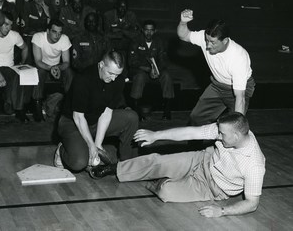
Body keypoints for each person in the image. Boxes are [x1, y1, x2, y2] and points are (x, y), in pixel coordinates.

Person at [89, 112, 266, 218]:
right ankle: (114, 168)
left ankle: (161, 180)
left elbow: (252, 203)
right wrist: (155, 135)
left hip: (211, 187)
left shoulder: (254, 164)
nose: (218, 135)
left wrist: (221, 211)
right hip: (202, 159)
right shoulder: (228, 129)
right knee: (157, 160)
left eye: (221, 134)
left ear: (236, 136)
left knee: (166, 191)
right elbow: (190, 132)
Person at [54, 50, 139, 173]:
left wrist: (98, 145)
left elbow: (106, 112)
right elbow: (78, 117)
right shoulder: (83, 79)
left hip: (95, 120)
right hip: (72, 123)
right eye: (110, 73)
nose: (114, 78)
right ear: (101, 65)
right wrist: (91, 145)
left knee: (131, 118)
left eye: (117, 74)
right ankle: (62, 150)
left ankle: (126, 164)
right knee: (79, 163)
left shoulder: (118, 80)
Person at [177, 9, 255, 127]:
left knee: (233, 125)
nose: (208, 46)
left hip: (238, 90)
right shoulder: (206, 38)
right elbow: (184, 36)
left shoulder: (238, 57)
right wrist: (183, 22)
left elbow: (240, 96)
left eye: (213, 42)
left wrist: (237, 124)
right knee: (196, 118)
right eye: (207, 41)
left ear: (225, 40)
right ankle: (194, 146)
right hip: (217, 85)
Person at [129, 20, 175, 120]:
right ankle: (137, 112)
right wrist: (148, 69)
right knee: (140, 77)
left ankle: (167, 110)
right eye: (146, 30)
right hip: (141, 71)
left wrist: (156, 70)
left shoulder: (159, 42)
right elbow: (132, 61)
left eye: (151, 30)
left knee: (166, 76)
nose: (148, 33)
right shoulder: (135, 41)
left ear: (155, 31)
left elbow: (163, 60)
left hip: (156, 71)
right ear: (142, 30)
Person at [32, 18, 73, 122]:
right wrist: (51, 68)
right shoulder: (38, 37)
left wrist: (57, 68)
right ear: (48, 31)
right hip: (43, 67)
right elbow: (38, 61)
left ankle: (70, 105)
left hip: (57, 67)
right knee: (39, 72)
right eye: (54, 32)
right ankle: (37, 107)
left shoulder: (64, 39)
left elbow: (67, 62)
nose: (57, 36)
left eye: (60, 33)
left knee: (69, 72)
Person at [0, 11, 29, 122]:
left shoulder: (14, 35)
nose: (8, 28)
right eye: (6, 24)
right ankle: (7, 104)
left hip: (9, 67)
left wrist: (22, 63)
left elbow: (25, 48)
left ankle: (18, 109)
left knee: (21, 77)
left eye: (10, 25)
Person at [20, 0, 50, 64]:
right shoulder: (27, 7)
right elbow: (24, 28)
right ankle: (28, 65)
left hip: (44, 36)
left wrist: (48, 13)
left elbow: (52, 26)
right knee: (29, 41)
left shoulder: (48, 6)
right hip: (31, 36)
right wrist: (36, 34)